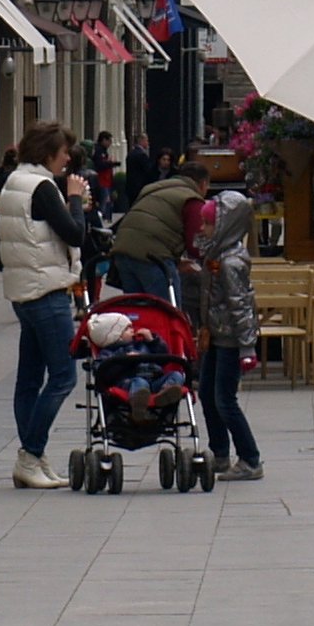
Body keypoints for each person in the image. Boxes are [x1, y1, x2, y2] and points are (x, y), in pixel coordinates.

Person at [0, 121, 97, 489]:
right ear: (47, 154)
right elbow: (75, 233)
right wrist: (75, 199)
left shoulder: (14, 180)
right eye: (63, 153)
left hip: (24, 290)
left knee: (29, 379)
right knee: (62, 376)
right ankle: (30, 453)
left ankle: (34, 457)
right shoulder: (42, 187)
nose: (67, 159)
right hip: (46, 289)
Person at [184, 187, 264, 481]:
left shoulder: (230, 262)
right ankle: (219, 453)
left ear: (226, 225)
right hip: (215, 335)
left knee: (224, 399)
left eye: (208, 224)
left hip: (230, 339)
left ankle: (250, 458)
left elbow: (241, 305)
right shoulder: (216, 254)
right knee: (207, 393)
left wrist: (246, 348)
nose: (202, 228)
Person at [103, 159, 207, 304]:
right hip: (154, 259)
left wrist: (177, 261)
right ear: (203, 184)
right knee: (166, 312)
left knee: (139, 312)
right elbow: (195, 244)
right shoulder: (191, 198)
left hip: (122, 251)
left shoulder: (153, 188)